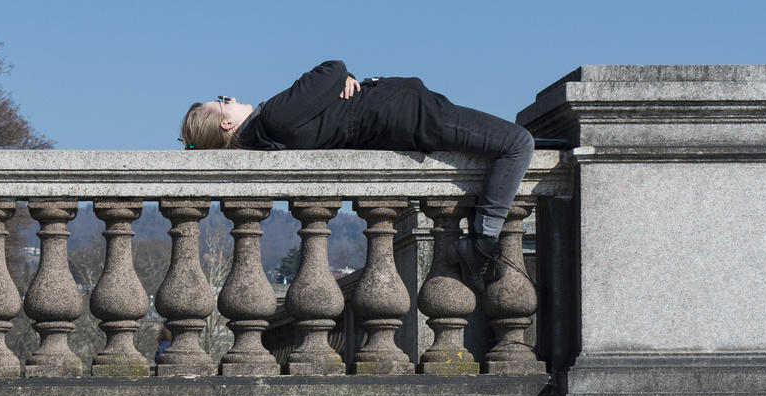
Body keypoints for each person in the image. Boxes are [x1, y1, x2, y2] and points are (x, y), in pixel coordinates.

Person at [179, 60, 534, 285]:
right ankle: (482, 241)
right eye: (224, 100)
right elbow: (331, 68)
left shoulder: (267, 133)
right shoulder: (273, 118)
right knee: (518, 142)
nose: (232, 98)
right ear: (225, 123)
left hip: (408, 114)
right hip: (411, 116)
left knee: (507, 141)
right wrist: (341, 77)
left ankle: (481, 241)